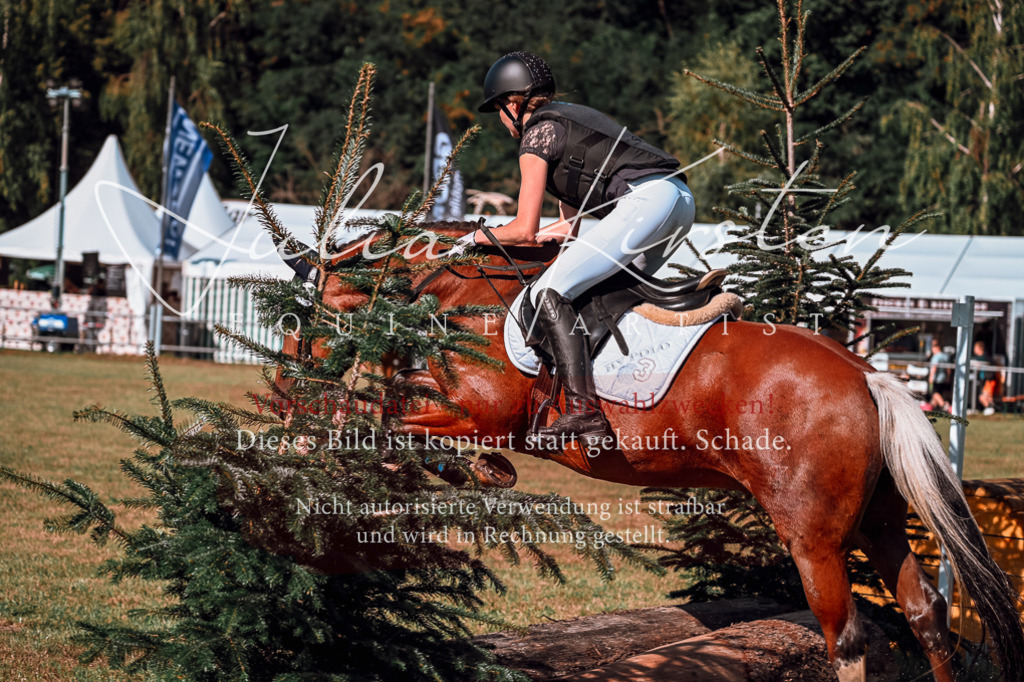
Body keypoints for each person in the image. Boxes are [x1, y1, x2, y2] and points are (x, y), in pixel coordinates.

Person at [456, 51, 696, 454]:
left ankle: (584, 410)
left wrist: (474, 238)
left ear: (513, 104)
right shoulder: (566, 124)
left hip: (648, 201)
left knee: (548, 294)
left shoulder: (537, 134)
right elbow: (570, 229)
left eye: (498, 108)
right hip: (678, 202)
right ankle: (626, 389)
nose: (501, 118)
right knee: (604, 291)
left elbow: (522, 229)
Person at [927, 340, 951, 411]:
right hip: (943, 377)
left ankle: (944, 405)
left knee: (934, 393)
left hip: (936, 378)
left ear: (936, 348)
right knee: (939, 393)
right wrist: (948, 377)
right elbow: (948, 368)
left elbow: (934, 367)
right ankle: (933, 407)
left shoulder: (936, 357)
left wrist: (931, 376)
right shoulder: (945, 356)